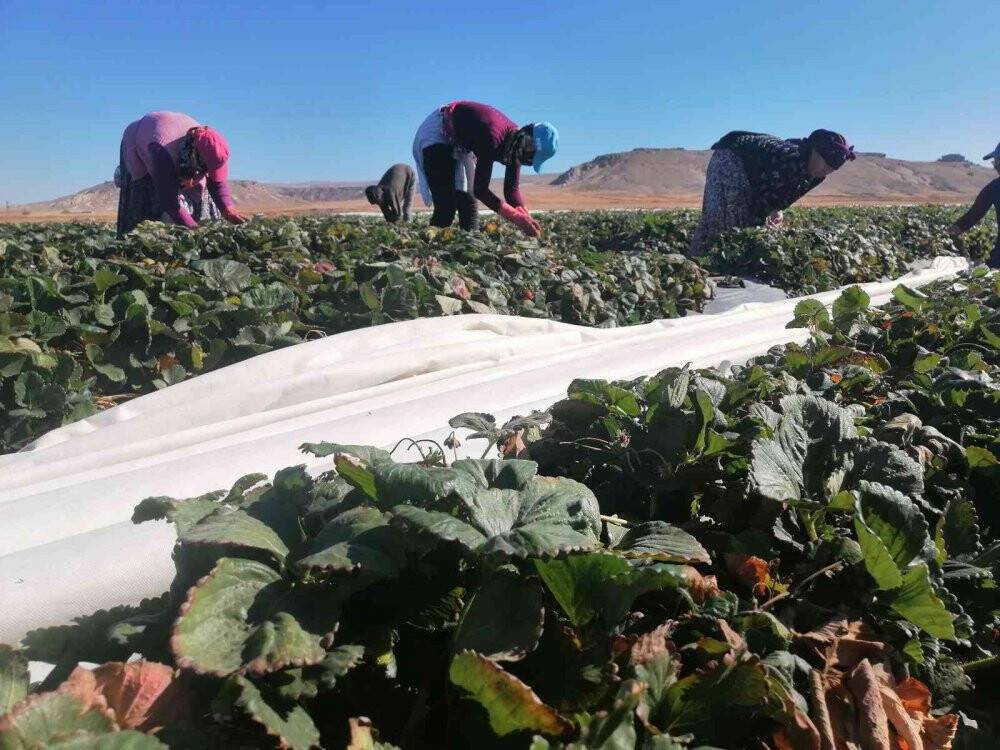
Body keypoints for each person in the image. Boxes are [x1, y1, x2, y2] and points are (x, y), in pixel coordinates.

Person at [688, 129, 856, 256]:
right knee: (725, 216)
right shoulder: (790, 157)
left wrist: (777, 210)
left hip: (753, 172)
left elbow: (785, 196)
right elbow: (760, 191)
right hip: (732, 157)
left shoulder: (817, 175)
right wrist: (766, 213)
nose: (826, 170)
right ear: (814, 152)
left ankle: (721, 258)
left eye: (832, 168)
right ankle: (702, 260)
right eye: (825, 163)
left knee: (746, 225)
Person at [412, 101, 558, 236]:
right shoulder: (492, 137)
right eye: (530, 155)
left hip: (460, 140)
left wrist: (526, 218)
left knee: (468, 203)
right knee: (446, 206)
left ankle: (466, 247)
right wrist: (515, 217)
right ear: (526, 142)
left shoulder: (516, 147)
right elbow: (480, 190)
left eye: (531, 160)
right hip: (438, 128)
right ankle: (428, 252)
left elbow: (511, 192)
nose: (528, 160)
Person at [116, 111, 246, 236]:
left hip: (175, 139)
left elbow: (217, 184)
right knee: (146, 195)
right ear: (195, 156)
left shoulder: (215, 151)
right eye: (204, 167)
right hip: (140, 137)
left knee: (200, 190)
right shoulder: (163, 153)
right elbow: (170, 200)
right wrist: (192, 228)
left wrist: (228, 209)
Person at [949, 141, 1000, 267]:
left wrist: (954, 230)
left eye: (996, 161)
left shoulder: (995, 187)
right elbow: (973, 215)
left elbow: (973, 215)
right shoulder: (993, 187)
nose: (994, 166)